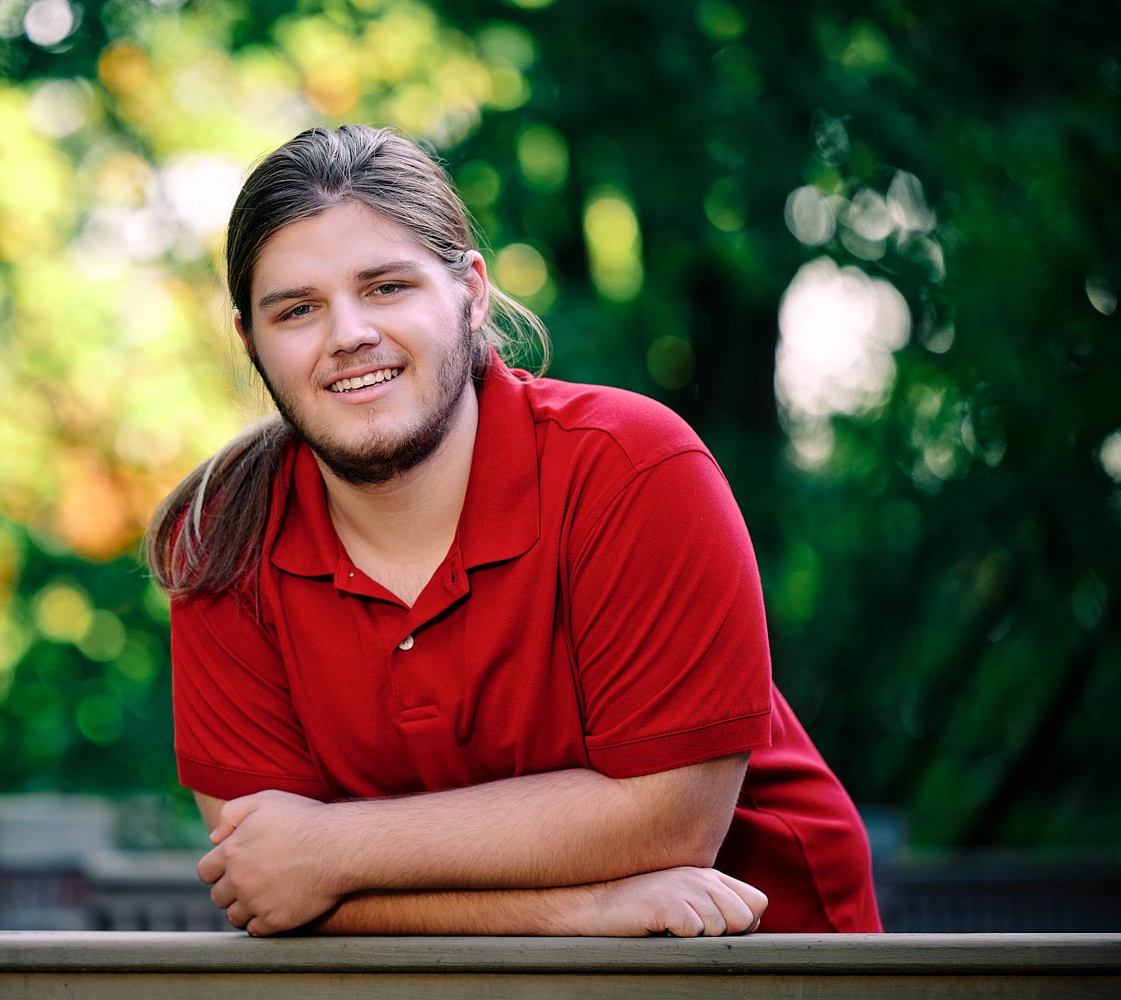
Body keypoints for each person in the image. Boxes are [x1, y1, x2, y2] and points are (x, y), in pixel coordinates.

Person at [146, 124, 882, 938]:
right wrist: (583, 909)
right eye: (297, 309)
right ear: (252, 341)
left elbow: (673, 825)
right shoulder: (221, 542)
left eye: (387, 287)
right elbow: (271, 881)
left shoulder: (633, 468)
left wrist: (333, 848)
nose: (347, 333)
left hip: (762, 963)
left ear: (472, 292)